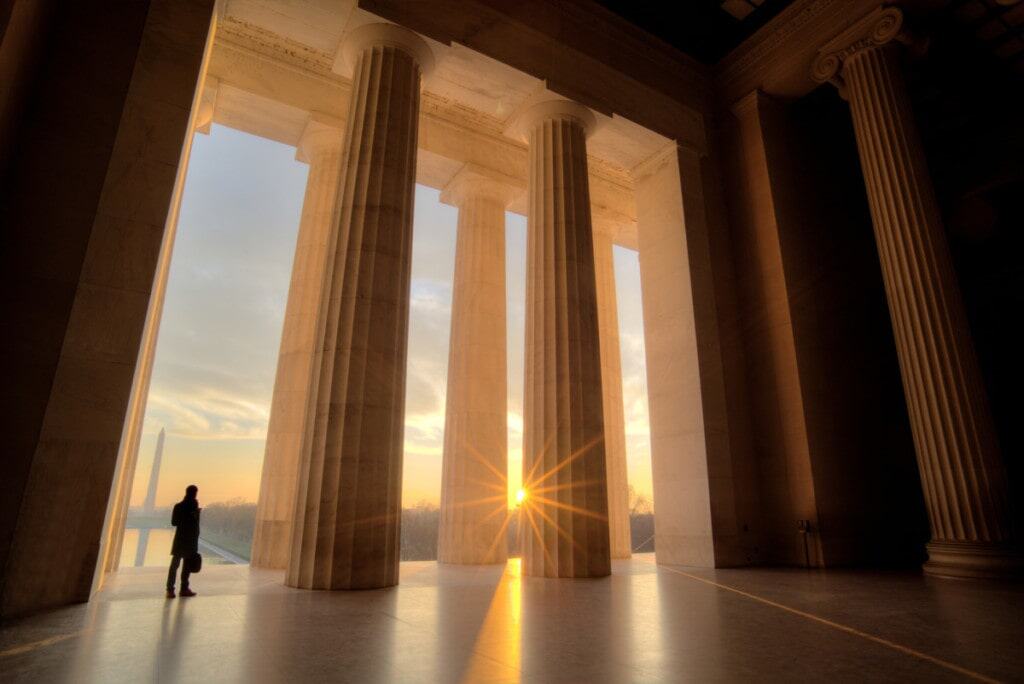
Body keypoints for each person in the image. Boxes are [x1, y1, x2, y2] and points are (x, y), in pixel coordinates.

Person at [166, 485, 200, 598]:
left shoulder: (179, 506)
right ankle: (177, 589)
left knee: (179, 565)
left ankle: (173, 589)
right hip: (187, 539)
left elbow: (174, 522)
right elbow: (176, 522)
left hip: (183, 539)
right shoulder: (187, 507)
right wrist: (191, 515)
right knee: (180, 565)